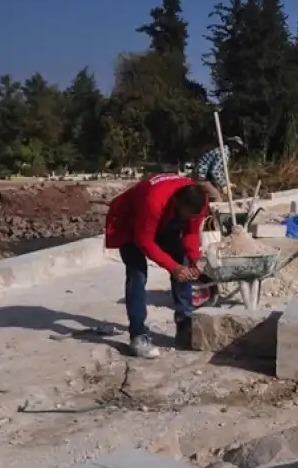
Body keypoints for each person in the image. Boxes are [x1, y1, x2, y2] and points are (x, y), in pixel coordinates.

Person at [105, 173, 209, 358]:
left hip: (161, 219)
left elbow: (190, 233)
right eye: (186, 216)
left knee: (182, 260)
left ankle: (184, 323)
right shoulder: (155, 201)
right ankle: (138, 335)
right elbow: (144, 241)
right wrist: (173, 267)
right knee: (138, 274)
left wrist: (195, 259)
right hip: (129, 221)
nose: (189, 220)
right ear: (178, 203)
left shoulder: (199, 202)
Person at [193, 136, 248, 202]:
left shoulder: (224, 151)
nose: (238, 150)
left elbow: (220, 170)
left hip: (205, 176)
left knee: (214, 194)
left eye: (239, 148)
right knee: (216, 196)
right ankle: (217, 212)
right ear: (231, 144)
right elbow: (215, 171)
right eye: (237, 146)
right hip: (201, 177)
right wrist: (224, 184)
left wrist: (227, 182)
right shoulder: (223, 153)